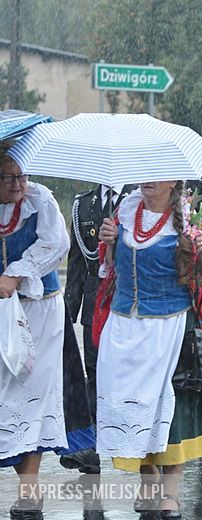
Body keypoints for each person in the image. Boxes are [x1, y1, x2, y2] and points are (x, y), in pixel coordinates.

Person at [96, 179, 202, 519]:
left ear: (174, 182)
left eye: (157, 177)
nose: (148, 183)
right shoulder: (124, 214)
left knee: (172, 408)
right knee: (132, 407)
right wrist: (109, 244)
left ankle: (170, 492)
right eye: (145, 176)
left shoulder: (189, 222)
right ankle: (147, 478)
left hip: (170, 327)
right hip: (125, 326)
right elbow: (111, 269)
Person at [0, 147, 96, 520]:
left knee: (33, 397)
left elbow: (57, 244)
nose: (18, 184)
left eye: (22, 176)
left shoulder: (40, 200)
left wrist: (16, 273)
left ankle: (29, 490)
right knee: (5, 399)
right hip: (2, 310)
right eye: (8, 178)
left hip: (39, 311)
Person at [63, 183, 133, 474]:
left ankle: (137, 443)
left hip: (129, 297)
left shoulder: (139, 197)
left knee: (128, 374)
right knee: (93, 372)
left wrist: (118, 239)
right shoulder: (84, 204)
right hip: (96, 300)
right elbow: (77, 262)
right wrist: (67, 313)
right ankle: (90, 448)